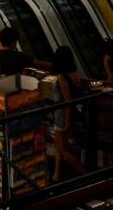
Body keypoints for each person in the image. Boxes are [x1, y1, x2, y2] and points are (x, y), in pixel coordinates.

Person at [49, 46, 88, 180]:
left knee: (63, 149)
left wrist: (66, 123)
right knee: (60, 147)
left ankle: (86, 175)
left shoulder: (61, 77)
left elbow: (67, 101)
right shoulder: (75, 73)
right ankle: (56, 175)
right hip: (69, 113)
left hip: (61, 114)